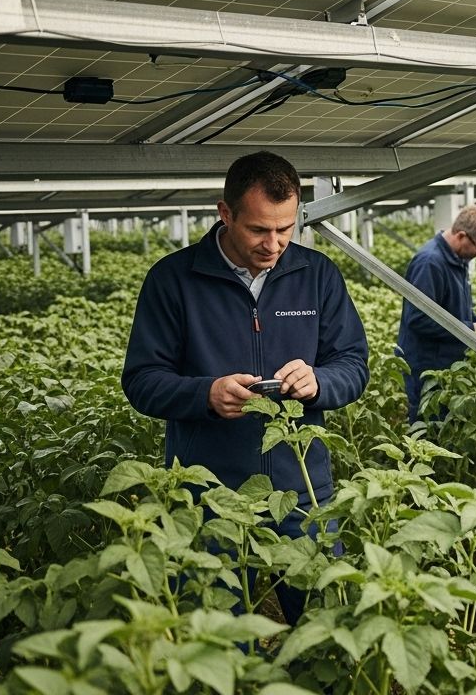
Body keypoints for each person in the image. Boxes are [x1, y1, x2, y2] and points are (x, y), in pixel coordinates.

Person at [121, 150, 369, 624]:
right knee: (220, 636)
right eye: (258, 229)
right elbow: (141, 380)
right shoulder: (174, 280)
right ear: (225, 213)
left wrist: (319, 381)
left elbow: (353, 363)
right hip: (211, 495)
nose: (274, 243)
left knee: (326, 626)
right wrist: (205, 394)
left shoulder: (317, 276)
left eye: (286, 228)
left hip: (302, 491)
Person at [396, 204, 476, 422]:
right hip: (428, 369)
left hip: (447, 363)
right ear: (462, 236)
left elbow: (457, 307)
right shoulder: (430, 263)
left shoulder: (457, 260)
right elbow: (418, 319)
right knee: (428, 428)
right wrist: (469, 328)